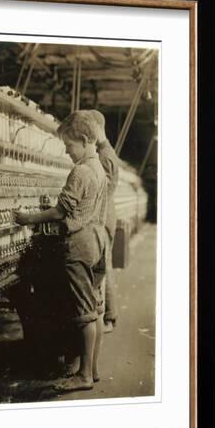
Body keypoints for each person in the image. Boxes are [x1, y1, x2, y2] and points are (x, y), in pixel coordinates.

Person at [14, 110, 107, 390]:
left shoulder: (80, 171)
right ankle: (92, 368)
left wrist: (28, 218)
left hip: (78, 244)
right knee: (95, 307)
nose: (67, 152)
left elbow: (59, 212)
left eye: (69, 146)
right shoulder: (98, 167)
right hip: (96, 239)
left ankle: (84, 377)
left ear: (83, 139)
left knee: (83, 313)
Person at [91, 110, 120, 333]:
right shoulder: (104, 151)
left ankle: (109, 317)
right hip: (105, 215)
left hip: (104, 217)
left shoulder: (105, 154)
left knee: (105, 268)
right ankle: (108, 316)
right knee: (104, 266)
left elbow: (104, 188)